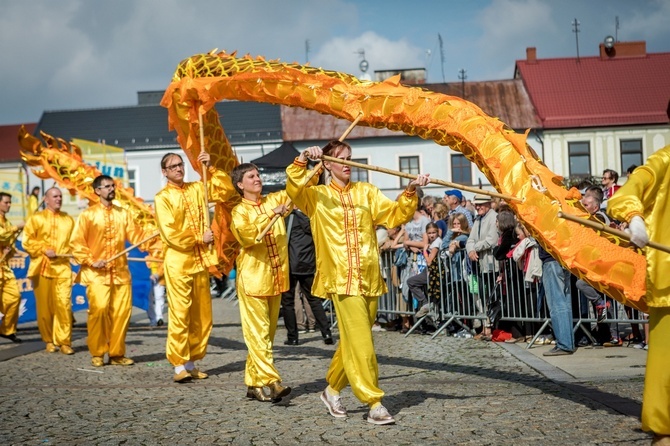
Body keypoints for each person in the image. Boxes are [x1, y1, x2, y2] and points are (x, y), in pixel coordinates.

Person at [286, 141, 430, 425]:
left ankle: (332, 389)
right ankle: (374, 402)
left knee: (353, 342)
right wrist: (303, 159)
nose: (347, 164)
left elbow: (395, 215)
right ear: (327, 164)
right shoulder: (315, 197)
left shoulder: (367, 192)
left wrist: (411, 189)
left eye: (350, 159)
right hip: (341, 279)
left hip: (370, 277)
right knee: (363, 344)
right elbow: (293, 188)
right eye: (341, 159)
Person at [154, 151, 235, 383]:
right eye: (173, 167)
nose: (179, 169)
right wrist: (200, 237)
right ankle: (178, 364)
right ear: (165, 172)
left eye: (180, 165)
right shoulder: (162, 198)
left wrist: (210, 168)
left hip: (201, 262)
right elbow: (170, 234)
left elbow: (225, 191)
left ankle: (191, 362)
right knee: (180, 313)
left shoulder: (197, 189)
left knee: (201, 316)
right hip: (178, 262)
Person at [608, 147, 670, 442]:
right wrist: (634, 217)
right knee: (665, 372)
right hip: (669, 286)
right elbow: (627, 191)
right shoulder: (665, 160)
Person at [230, 162, 298, 403]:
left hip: (275, 279)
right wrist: (271, 214)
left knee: (265, 337)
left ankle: (254, 382)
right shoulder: (239, 211)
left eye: (258, 175)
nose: (257, 179)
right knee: (258, 336)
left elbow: (295, 189)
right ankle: (273, 382)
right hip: (253, 281)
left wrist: (305, 163)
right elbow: (249, 237)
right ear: (240, 184)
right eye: (251, 176)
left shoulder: (273, 200)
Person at [70, 175, 152, 368]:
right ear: (97, 191)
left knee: (122, 314)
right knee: (98, 311)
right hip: (96, 274)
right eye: (107, 186)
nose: (111, 189)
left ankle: (116, 354)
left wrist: (157, 236)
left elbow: (138, 237)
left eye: (113, 186)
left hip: (121, 273)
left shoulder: (123, 214)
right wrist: (91, 260)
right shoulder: (88, 215)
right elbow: (77, 243)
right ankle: (98, 352)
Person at [22, 187, 75, 354]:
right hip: (42, 267)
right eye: (55, 196)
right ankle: (49, 340)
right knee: (45, 309)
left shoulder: (68, 220)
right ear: (46, 199)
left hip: (63, 268)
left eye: (60, 196)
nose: (58, 199)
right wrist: (43, 249)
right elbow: (27, 241)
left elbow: (76, 242)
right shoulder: (36, 219)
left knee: (64, 306)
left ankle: (64, 341)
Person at [281, 209, 333, 346]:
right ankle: (326, 332)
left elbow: (283, 239)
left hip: (291, 264)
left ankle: (293, 337)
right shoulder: (313, 217)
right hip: (308, 263)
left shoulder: (289, 217)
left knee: (288, 301)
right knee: (314, 300)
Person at [465, 194, 499, 340]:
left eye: (480, 204)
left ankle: (490, 328)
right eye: (476, 204)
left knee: (492, 297)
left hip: (492, 264)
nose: (477, 207)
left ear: (488, 204)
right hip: (480, 263)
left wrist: (475, 249)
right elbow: (470, 240)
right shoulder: (478, 219)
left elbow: (491, 240)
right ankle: (486, 327)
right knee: (481, 297)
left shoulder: (494, 217)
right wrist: (471, 250)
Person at [538, 246, 575, 356]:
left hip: (552, 260)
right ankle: (568, 342)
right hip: (563, 258)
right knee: (565, 304)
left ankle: (564, 344)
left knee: (557, 304)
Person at [0, 193, 24, 343]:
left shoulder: (7, 222)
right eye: (6, 202)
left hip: (4, 267)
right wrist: (17, 227)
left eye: (10, 203)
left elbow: (8, 241)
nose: (9, 205)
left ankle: (7, 330)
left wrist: (10, 250)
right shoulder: (9, 225)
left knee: (14, 296)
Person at [407, 222, 442, 319]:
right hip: (430, 270)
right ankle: (426, 304)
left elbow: (430, 261)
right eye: (429, 233)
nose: (431, 235)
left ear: (437, 232)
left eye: (433, 233)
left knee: (411, 281)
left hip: (435, 271)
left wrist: (424, 251)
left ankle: (426, 304)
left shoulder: (436, 243)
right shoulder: (433, 242)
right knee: (413, 282)